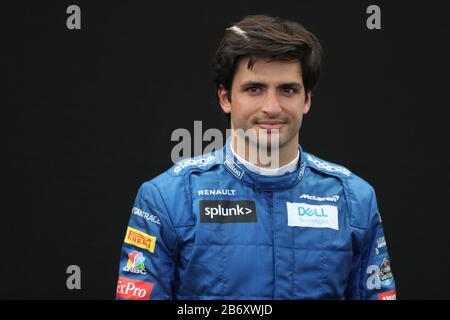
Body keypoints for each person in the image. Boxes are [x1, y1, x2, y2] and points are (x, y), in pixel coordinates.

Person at [115, 14, 396, 300]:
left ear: (307, 99)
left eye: (287, 89)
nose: (272, 107)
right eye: (254, 89)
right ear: (225, 97)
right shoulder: (166, 199)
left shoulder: (355, 199)